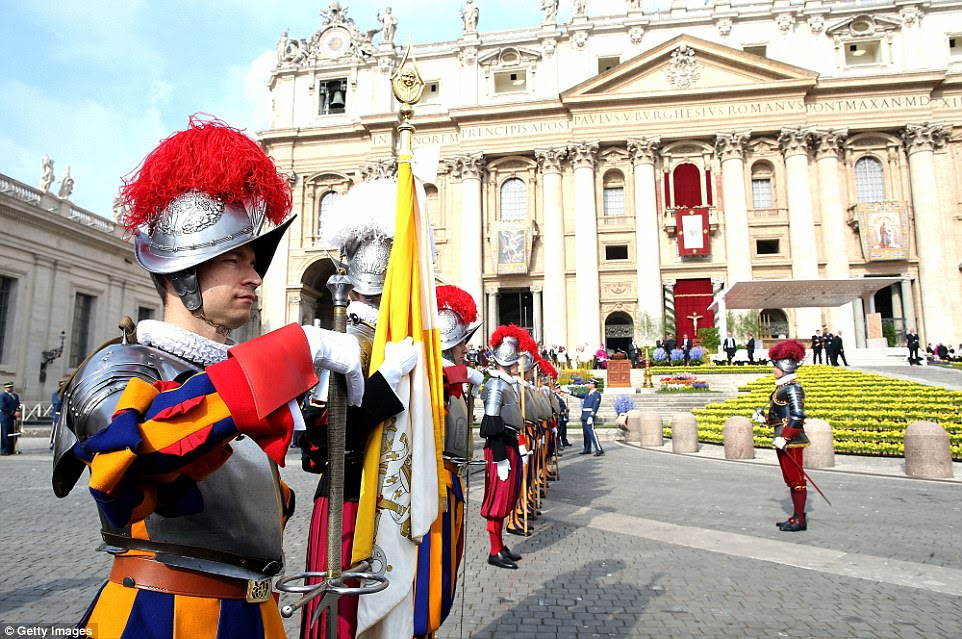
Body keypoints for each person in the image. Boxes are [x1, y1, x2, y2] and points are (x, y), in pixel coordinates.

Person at [50, 116, 368, 636]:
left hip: (252, 611)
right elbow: (139, 463)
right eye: (235, 260)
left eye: (254, 261)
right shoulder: (120, 369)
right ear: (184, 273)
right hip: (167, 613)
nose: (254, 275)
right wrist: (293, 352)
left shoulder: (224, 378)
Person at [298, 179, 417, 639]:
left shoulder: (385, 343)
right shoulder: (344, 345)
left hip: (382, 495)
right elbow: (324, 442)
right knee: (338, 616)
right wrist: (385, 382)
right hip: (344, 501)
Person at [412, 284, 483, 637]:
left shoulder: (451, 378)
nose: (466, 348)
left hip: (449, 485)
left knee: (443, 577)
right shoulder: (431, 378)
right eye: (461, 341)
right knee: (427, 587)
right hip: (430, 493)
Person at [480, 325, 528, 569]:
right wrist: (499, 457)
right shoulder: (497, 385)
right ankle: (494, 550)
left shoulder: (508, 384)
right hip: (500, 447)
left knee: (506, 498)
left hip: (509, 444)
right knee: (497, 502)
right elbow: (490, 424)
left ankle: (500, 546)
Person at [754, 339, 810, 532]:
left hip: (792, 440)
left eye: (775, 366)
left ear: (785, 366)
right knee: (790, 479)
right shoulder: (782, 387)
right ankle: (797, 515)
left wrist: (784, 437)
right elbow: (781, 415)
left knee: (796, 479)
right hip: (784, 438)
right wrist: (764, 419)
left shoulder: (793, 388)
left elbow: (797, 415)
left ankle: (800, 518)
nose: (773, 370)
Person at [566, 378, 603, 456]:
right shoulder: (588, 393)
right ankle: (587, 449)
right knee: (586, 433)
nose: (588, 385)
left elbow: (595, 406)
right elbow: (580, 395)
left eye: (589, 383)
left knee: (592, 433)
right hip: (584, 415)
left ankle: (598, 449)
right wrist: (570, 392)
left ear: (593, 385)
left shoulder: (597, 394)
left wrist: (591, 416)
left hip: (589, 415)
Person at [1, 381, 21, 456]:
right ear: (5, 388)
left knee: (12, 433)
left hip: (13, 418)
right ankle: (4, 449)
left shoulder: (15, 396)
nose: (10, 388)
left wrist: (18, 411)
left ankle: (11, 449)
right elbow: (3, 407)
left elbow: (18, 405)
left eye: (11, 387)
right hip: (6, 417)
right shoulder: (3, 396)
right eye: (8, 387)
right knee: (5, 433)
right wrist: (13, 412)